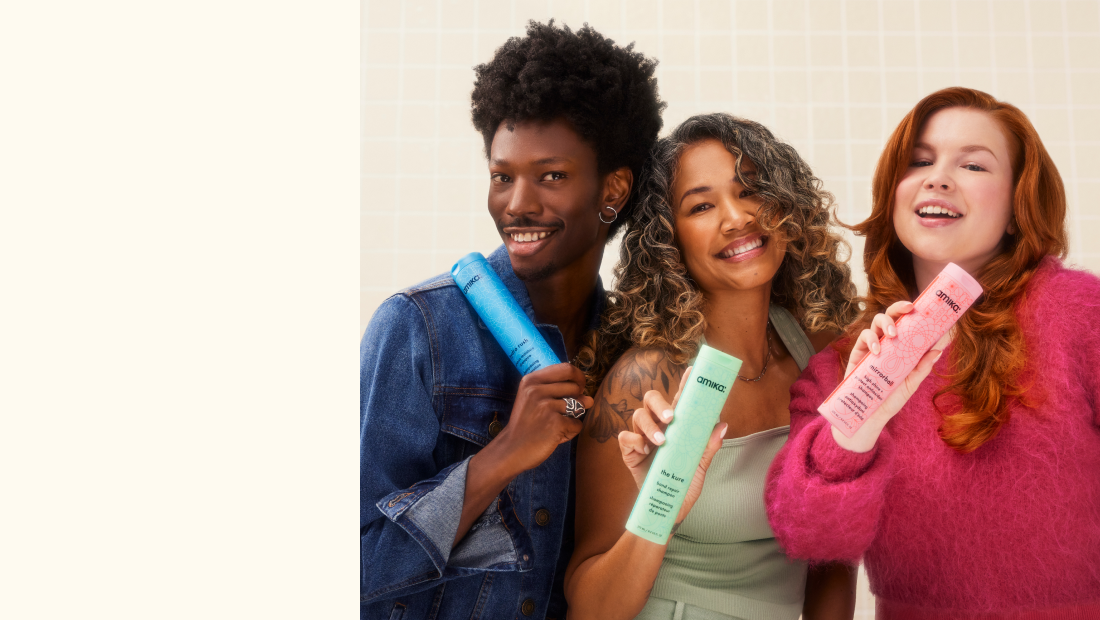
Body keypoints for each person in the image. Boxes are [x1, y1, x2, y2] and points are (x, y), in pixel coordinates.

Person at [360, 21, 665, 620]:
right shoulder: (417, 329)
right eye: (503, 176)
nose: (517, 204)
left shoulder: (631, 355)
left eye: (551, 176)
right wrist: (505, 455)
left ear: (614, 189)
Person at [765, 86, 1100, 618]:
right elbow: (813, 540)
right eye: (919, 161)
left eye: (973, 165)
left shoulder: (1081, 313)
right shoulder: (840, 365)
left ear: (1017, 208)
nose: (938, 176)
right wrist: (859, 420)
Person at [565, 113, 861, 620]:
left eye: (750, 190)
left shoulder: (823, 352)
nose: (736, 217)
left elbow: (836, 547)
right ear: (669, 241)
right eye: (701, 205)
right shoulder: (647, 380)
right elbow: (589, 606)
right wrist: (663, 507)